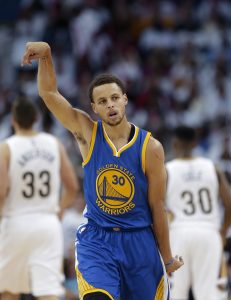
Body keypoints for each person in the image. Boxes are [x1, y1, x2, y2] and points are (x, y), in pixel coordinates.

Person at [21, 41, 184, 300]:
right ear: (94, 108)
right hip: (98, 240)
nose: (110, 105)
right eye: (103, 101)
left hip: (139, 242)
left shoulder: (150, 147)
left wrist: (166, 257)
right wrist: (47, 56)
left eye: (115, 98)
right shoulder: (87, 133)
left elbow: (157, 205)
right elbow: (50, 95)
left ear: (125, 100)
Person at [0, 97, 78, 300]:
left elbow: (1, 191)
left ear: (13, 120)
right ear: (36, 118)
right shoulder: (54, 143)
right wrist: (59, 209)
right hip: (47, 223)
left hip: (15, 222)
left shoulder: (6, 147)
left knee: (9, 290)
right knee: (49, 291)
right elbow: (72, 187)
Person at [165, 126, 231, 300]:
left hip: (178, 234)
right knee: (210, 295)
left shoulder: (168, 169)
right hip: (209, 233)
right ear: (195, 143)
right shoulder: (213, 167)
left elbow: (156, 206)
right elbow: (229, 203)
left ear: (174, 144)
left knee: (176, 295)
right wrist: (223, 231)